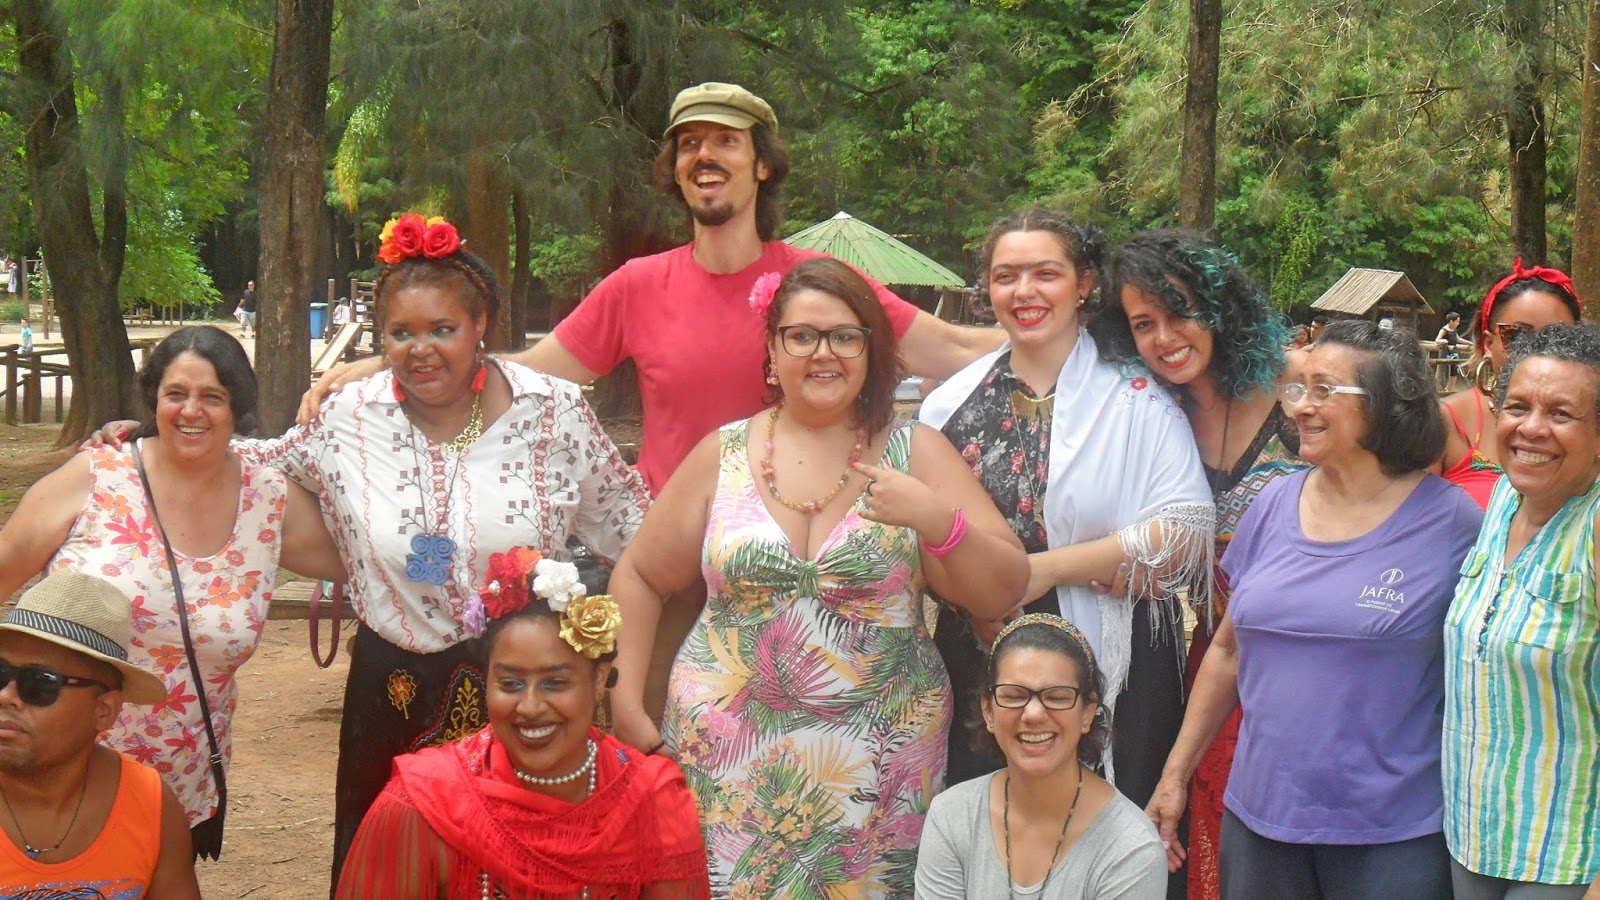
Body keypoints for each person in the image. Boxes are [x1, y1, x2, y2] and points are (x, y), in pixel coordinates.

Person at [299, 82, 1002, 495]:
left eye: (726, 140)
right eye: (689, 143)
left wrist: (1049, 336)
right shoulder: (637, 286)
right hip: (674, 553)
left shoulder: (821, 286)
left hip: (801, 548)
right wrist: (390, 365)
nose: (705, 154)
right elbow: (524, 375)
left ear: (762, 165)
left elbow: (952, 349)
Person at [608, 257, 1029, 897]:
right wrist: (625, 701)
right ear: (772, 351)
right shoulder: (723, 453)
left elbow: (1004, 588)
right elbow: (640, 574)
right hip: (725, 759)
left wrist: (935, 519)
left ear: (870, 350)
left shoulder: (916, 451)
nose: (823, 352)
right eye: (802, 335)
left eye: (844, 335)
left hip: (878, 767)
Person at [1146, 320, 1483, 899]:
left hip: (1394, 836)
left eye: (1324, 390)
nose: (1300, 406)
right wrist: (1175, 775)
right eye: (1299, 388)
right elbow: (1227, 651)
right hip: (1259, 825)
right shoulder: (1273, 501)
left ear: (1384, 404)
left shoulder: (1454, 522)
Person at [0, 325, 343, 859]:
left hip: (181, 783)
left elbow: (376, 562)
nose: (191, 411)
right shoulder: (98, 475)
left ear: (237, 406)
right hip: (51, 775)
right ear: (153, 399)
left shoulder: (268, 498)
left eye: (212, 397)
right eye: (175, 393)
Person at [920, 212, 1215, 823]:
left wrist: (1042, 571)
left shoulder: (1138, 395)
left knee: (1114, 830)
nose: (1024, 291)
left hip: (1121, 656)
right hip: (987, 649)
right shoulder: (947, 406)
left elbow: (1185, 528)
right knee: (994, 833)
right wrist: (977, 597)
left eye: (1045, 274)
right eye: (1006, 276)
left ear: (1083, 284)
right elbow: (926, 538)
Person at [1092, 229, 1305, 900]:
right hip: (1211, 662)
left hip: (1312, 659)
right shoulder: (1151, 414)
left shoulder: (1299, 388)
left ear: (1219, 306)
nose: (1165, 337)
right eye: (1143, 323)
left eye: (1180, 311)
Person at [337, 550, 709, 899]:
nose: (530, 707)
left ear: (599, 680)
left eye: (555, 683)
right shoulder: (426, 804)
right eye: (511, 684)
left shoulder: (654, 805)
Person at [1443, 324, 1600, 899]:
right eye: (1517, 407)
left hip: (1568, 857)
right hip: (1474, 838)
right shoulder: (1504, 501)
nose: (1532, 428)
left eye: (1561, 414)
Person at [916, 614, 1167, 899]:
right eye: (1013, 696)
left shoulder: (1131, 847)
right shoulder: (952, 816)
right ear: (988, 710)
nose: (1033, 714)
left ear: (1087, 712)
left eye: (1057, 697)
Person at [0, 570, 199, 898]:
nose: (6, 695)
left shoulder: (149, 805)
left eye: (40, 683)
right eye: (0, 674)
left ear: (104, 710)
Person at [1440, 259, 1582, 508]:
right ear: (1488, 344)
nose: (1535, 352)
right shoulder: (1443, 422)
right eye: (1517, 336)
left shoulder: (1591, 420)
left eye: (1557, 338)